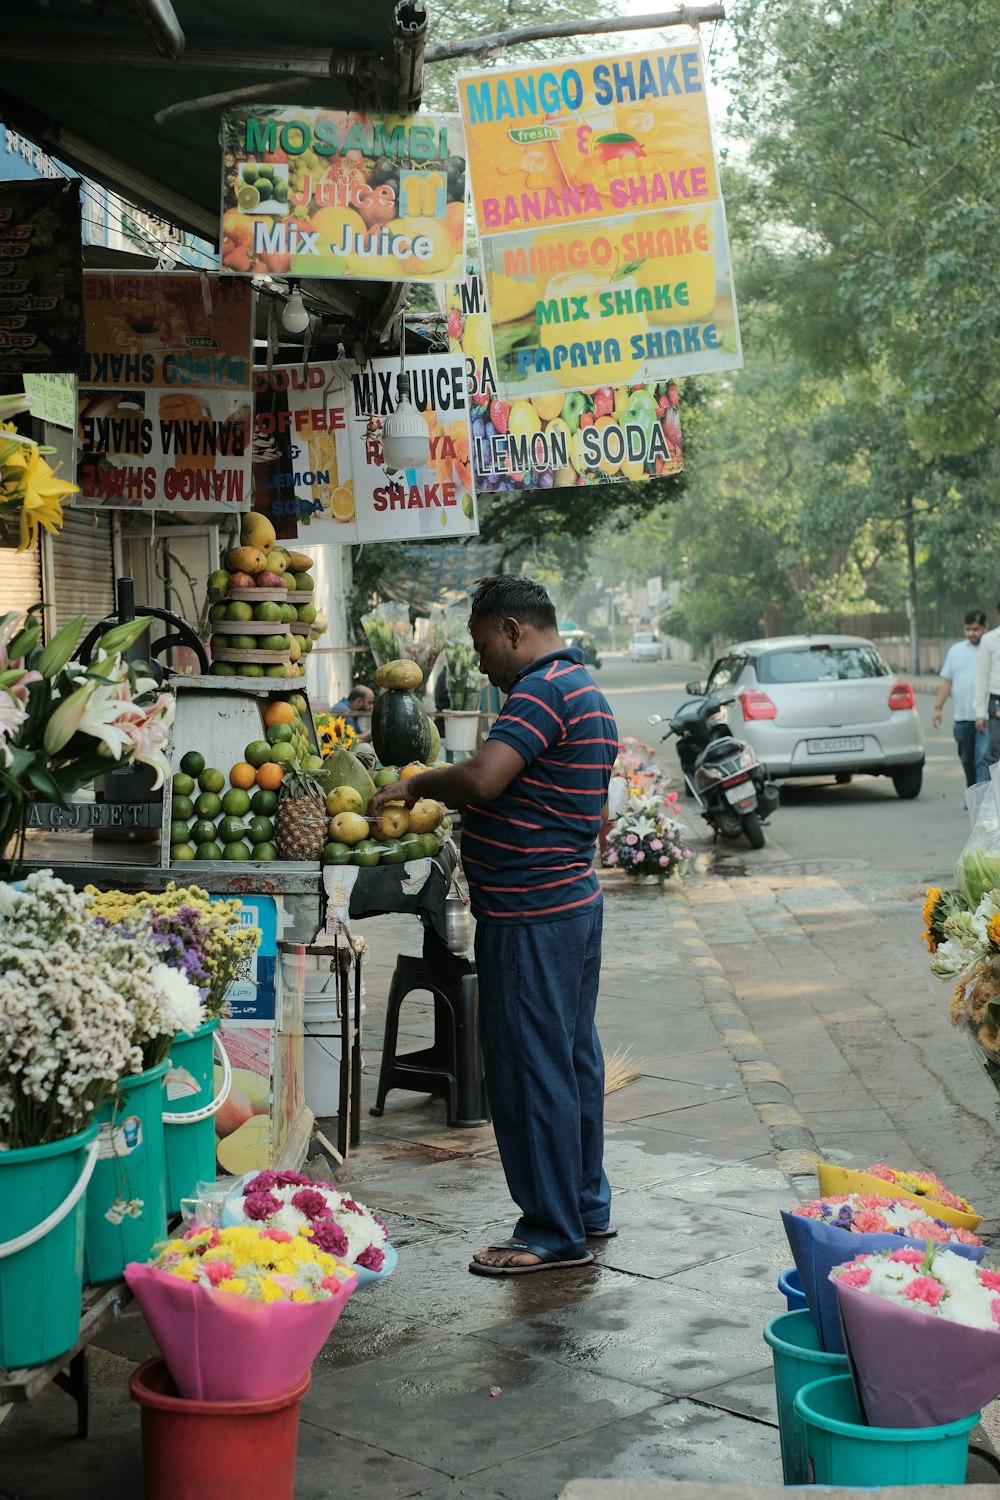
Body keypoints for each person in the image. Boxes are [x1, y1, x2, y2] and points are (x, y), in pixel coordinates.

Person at [371, 576, 619, 1276]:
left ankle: (549, 1233)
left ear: (513, 630)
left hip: (531, 917)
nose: (481, 664)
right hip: (569, 905)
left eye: (484, 647)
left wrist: (418, 782)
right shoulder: (587, 693)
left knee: (528, 1070)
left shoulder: (543, 692)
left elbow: (483, 779)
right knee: (571, 1061)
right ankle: (584, 1206)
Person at [933, 610, 989, 786]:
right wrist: (938, 708)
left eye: (975, 629)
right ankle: (974, 793)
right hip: (962, 718)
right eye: (968, 629)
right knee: (967, 759)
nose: (971, 633)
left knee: (983, 758)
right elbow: (946, 681)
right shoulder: (956, 651)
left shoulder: (992, 648)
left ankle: (982, 803)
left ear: (985, 628)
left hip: (986, 717)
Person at [975, 602, 1000, 769]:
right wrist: (980, 713)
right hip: (996, 701)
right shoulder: (989, 640)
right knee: (996, 753)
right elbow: (982, 677)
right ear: (998, 615)